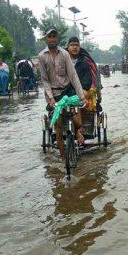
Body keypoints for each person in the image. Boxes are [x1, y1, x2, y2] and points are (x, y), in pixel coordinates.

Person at [38, 26, 86, 159]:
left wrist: (82, 96)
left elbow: (73, 75)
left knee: (78, 119)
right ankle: (63, 157)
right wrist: (51, 98)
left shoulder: (64, 54)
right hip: (53, 94)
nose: (52, 39)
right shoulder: (42, 56)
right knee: (58, 125)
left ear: (57, 38)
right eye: (50, 36)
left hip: (68, 91)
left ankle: (77, 132)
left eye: (54, 36)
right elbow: (45, 80)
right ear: (46, 38)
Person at [66, 36, 100, 112]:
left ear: (79, 48)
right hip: (65, 91)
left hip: (81, 91)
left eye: (76, 45)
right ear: (68, 47)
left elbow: (87, 80)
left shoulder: (84, 63)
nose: (74, 47)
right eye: (72, 45)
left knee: (83, 94)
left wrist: (81, 89)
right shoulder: (62, 62)